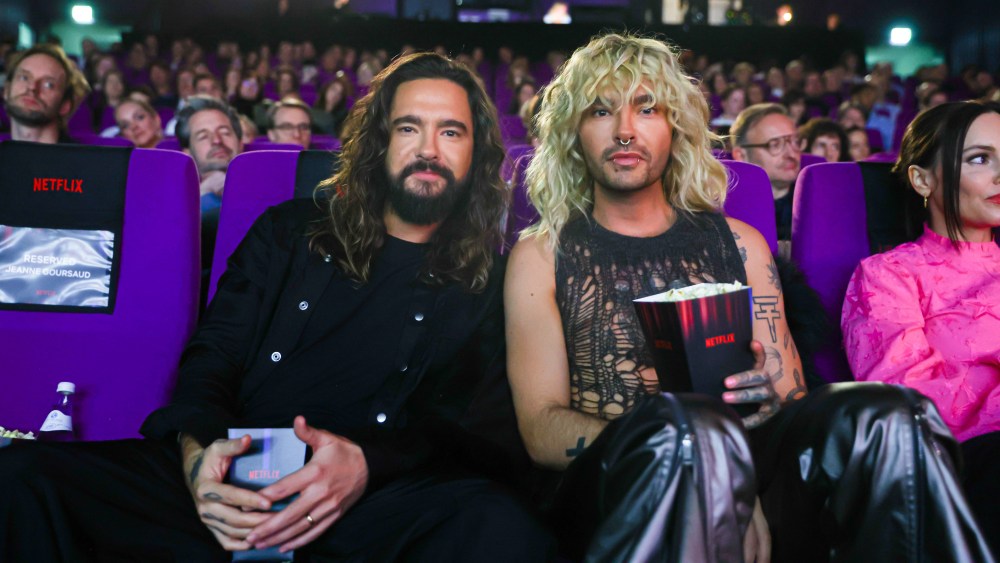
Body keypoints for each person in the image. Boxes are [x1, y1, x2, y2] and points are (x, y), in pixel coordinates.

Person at [0, 52, 554, 562]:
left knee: (501, 527)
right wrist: (199, 458)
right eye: (408, 127)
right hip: (228, 472)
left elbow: (466, 432)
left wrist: (367, 463)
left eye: (450, 131)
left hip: (370, 506)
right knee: (23, 478)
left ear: (476, 150)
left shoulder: (490, 279)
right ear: (378, 141)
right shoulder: (287, 232)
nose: (428, 149)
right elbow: (212, 357)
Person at [506, 33, 994, 562]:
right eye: (601, 111)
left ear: (675, 127)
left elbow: (792, 399)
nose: (625, 130)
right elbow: (541, 429)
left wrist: (768, 394)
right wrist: (706, 465)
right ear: (575, 131)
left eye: (647, 108)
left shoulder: (741, 244)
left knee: (887, 413)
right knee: (686, 434)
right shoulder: (541, 254)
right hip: (612, 485)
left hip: (756, 462)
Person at [842, 100, 1000, 554]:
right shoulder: (888, 274)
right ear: (922, 179)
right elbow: (904, 397)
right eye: (978, 158)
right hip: (959, 462)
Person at [730, 103, 800, 248]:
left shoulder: (817, 205)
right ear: (741, 155)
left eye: (795, 142)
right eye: (775, 144)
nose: (791, 153)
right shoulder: (726, 214)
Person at [3, 43, 90, 143]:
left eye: (48, 84)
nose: (32, 87)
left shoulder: (83, 158)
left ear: (65, 105)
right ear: (6, 90)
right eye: (24, 78)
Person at [174, 95, 244, 214]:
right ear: (188, 153)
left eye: (225, 133)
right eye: (203, 136)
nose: (216, 140)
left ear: (240, 143)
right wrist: (203, 193)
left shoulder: (269, 189)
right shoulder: (173, 200)